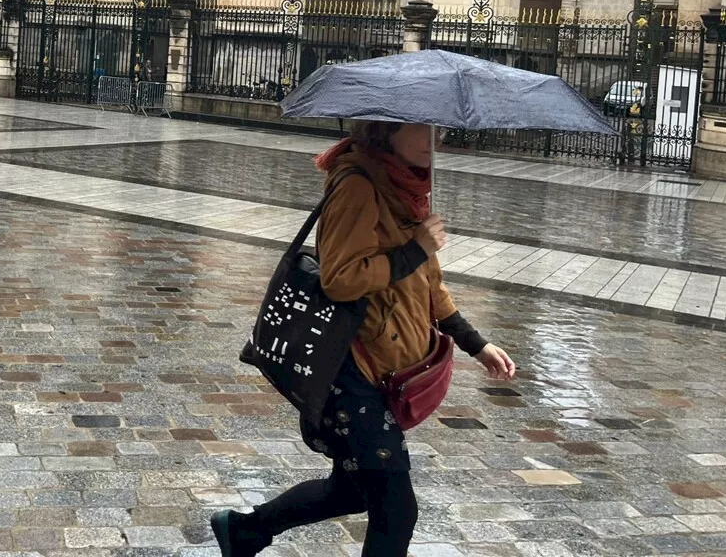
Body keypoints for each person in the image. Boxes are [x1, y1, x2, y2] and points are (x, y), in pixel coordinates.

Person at [211, 122, 516, 557]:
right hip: (348, 369)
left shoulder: (405, 189)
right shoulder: (358, 185)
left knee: (353, 489)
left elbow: (427, 284)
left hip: (378, 365)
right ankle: (245, 531)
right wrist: (416, 247)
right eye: (425, 130)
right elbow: (340, 280)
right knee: (397, 510)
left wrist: (475, 343)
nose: (437, 141)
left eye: (442, 131)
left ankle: (245, 530)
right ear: (386, 130)